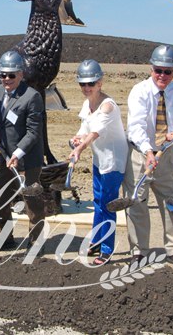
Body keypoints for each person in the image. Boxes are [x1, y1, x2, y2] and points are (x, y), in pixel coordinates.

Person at [124, 45, 173, 269]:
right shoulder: (139, 91)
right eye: (158, 70)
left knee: (171, 201)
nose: (162, 75)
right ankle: (139, 251)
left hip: (166, 154)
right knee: (137, 203)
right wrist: (148, 151)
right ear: (151, 69)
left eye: (167, 71)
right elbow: (136, 127)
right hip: (139, 154)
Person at [68, 60, 127, 266]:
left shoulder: (108, 106)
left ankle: (106, 250)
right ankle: (95, 240)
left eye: (91, 83)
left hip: (112, 161)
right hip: (99, 159)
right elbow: (85, 128)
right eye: (82, 84)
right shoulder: (88, 104)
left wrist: (79, 148)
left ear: (100, 82)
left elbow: (94, 134)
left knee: (108, 204)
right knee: (97, 201)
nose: (86, 88)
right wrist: (76, 138)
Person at [0, 51, 46, 251]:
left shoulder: (32, 97)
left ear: (21, 74)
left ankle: (35, 244)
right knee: (0, 199)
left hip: (28, 158)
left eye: (11, 75)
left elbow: (33, 132)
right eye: (3, 74)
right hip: (6, 156)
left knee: (32, 203)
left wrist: (18, 153)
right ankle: (6, 238)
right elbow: (1, 119)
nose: (6, 79)